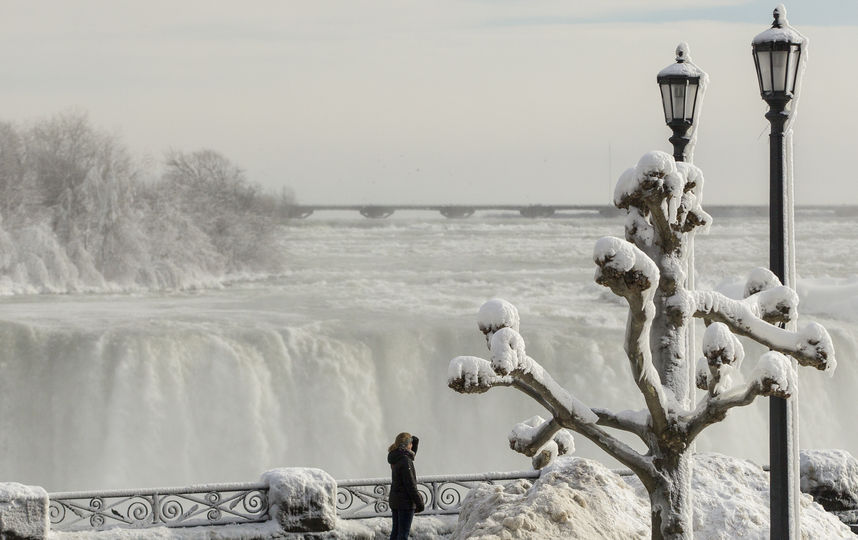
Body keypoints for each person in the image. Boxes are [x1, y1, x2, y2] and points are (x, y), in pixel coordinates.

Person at [387, 432, 424, 540]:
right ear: (406, 445)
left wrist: (414, 442)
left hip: (396, 500)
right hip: (405, 502)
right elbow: (410, 484)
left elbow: (410, 454)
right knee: (402, 535)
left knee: (395, 533)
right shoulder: (405, 460)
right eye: (411, 443)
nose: (412, 445)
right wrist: (419, 503)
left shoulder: (396, 456)